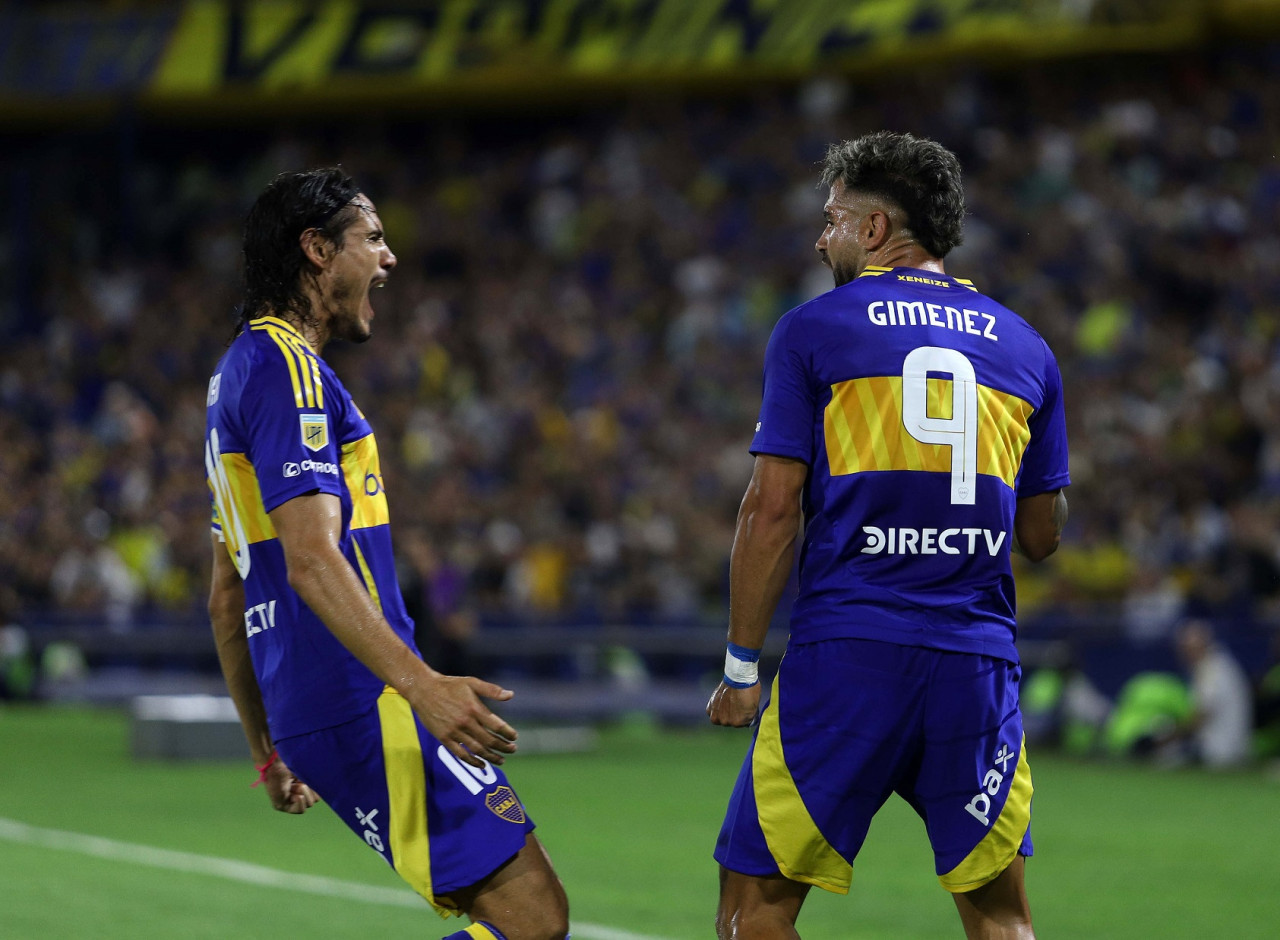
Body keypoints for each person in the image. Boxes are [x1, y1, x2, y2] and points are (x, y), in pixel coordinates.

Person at [706, 132, 1070, 939]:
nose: (820, 236)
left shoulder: (813, 330)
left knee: (752, 913)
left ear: (873, 232)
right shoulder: (1028, 348)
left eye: (832, 218)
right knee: (1002, 917)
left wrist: (739, 667)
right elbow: (1042, 534)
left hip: (848, 661)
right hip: (975, 665)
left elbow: (771, 508)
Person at [205, 168, 569, 940]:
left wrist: (267, 752)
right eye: (372, 238)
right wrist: (422, 685)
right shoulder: (288, 370)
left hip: (318, 703)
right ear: (316, 250)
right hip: (362, 693)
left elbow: (225, 595)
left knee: (523, 916)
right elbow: (310, 560)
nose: (390, 257)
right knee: (531, 919)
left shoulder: (235, 378)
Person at [1170, 619, 1252, 768]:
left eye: (1189, 649)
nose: (1185, 654)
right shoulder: (1221, 664)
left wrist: (1172, 737)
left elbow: (1203, 714)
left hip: (1218, 750)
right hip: (1231, 747)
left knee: (1166, 756)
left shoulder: (1212, 669)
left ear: (1203, 645)